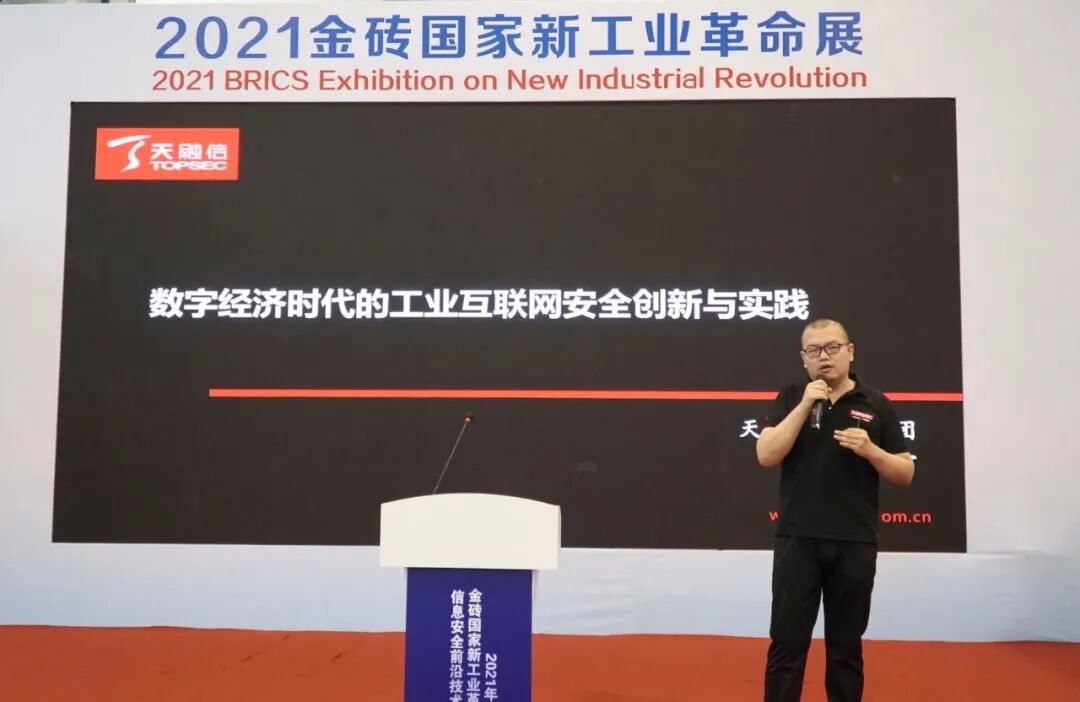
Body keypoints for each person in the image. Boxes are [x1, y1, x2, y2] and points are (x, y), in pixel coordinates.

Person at [756, 318, 914, 702]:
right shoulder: (792, 395)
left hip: (853, 541)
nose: (823, 357)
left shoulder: (875, 403)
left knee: (845, 646)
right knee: (787, 643)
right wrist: (804, 405)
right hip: (798, 538)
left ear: (850, 351)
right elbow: (766, 454)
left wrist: (871, 450)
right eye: (813, 351)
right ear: (803, 358)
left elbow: (905, 471)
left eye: (831, 348)